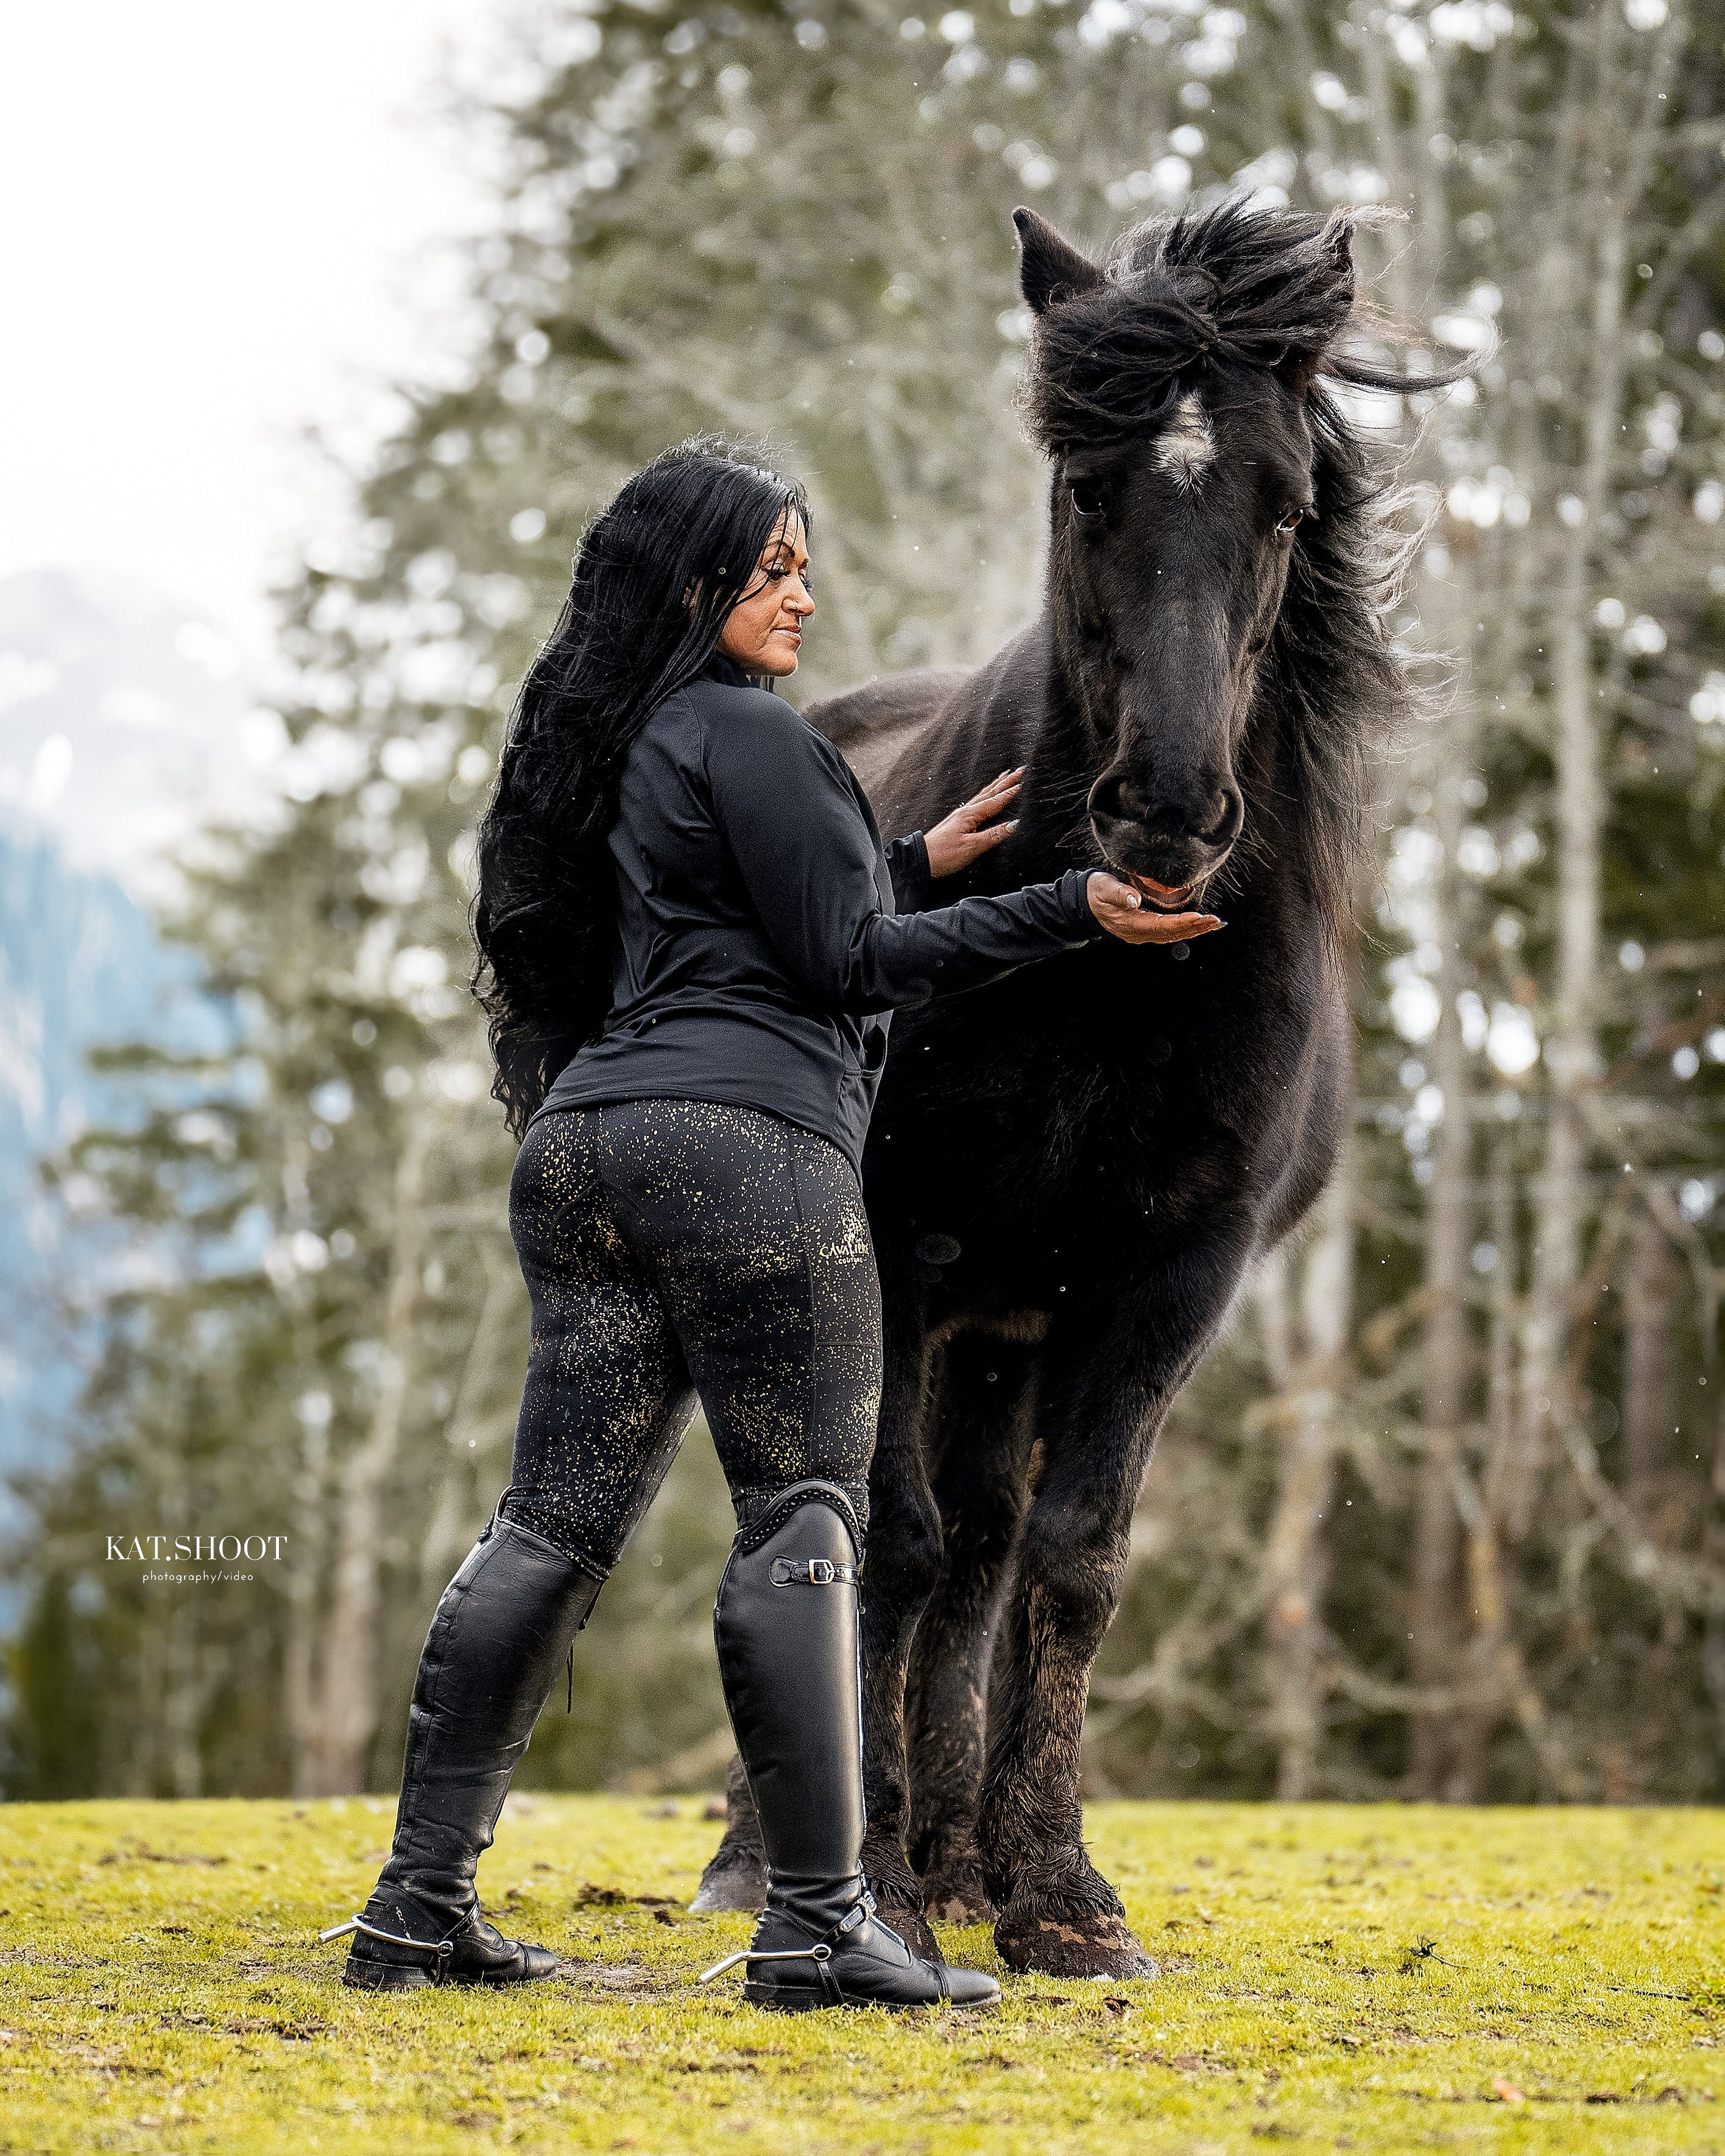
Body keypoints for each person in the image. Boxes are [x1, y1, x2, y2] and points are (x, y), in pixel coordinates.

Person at [320, 439, 1220, 2009]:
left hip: (592, 1152)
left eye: (805, 565)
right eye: (771, 571)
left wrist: (907, 858)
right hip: (752, 1156)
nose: (803, 598)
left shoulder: (606, 750)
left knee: (550, 1526)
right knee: (805, 1514)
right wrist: (1065, 909)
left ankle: (415, 1908)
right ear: (692, 586)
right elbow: (848, 961)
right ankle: (818, 1921)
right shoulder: (754, 731)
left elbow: (734, 919)